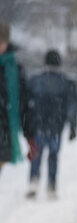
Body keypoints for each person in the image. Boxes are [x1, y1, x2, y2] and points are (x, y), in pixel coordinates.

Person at [26, 49, 77, 199]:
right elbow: (72, 105)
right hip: (56, 126)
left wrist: (27, 122)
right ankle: (51, 186)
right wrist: (73, 125)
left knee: (36, 154)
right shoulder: (65, 82)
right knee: (53, 156)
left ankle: (33, 181)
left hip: (38, 125)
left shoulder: (35, 80)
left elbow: (26, 103)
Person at [0, 22, 32, 176]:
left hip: (4, 134)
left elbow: (24, 104)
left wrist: (29, 136)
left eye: (1, 41)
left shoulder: (15, 69)